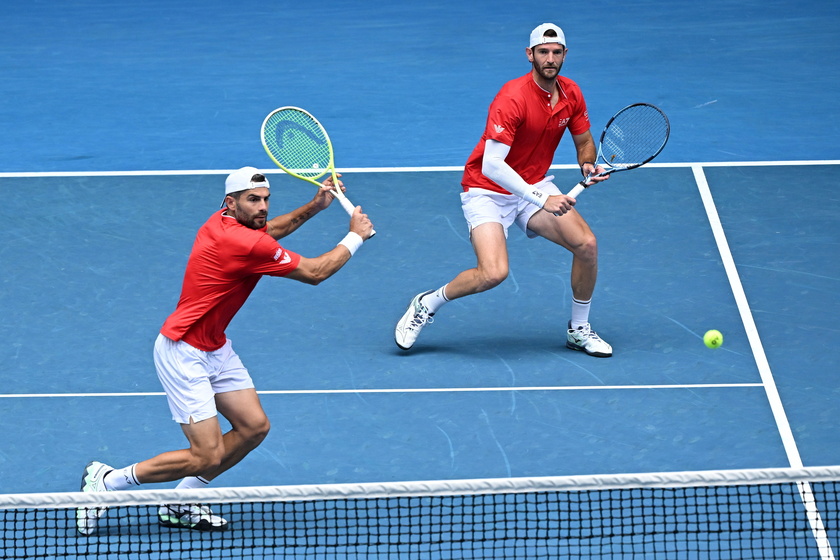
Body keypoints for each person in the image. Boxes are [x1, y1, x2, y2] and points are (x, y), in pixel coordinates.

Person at [77, 167, 374, 535]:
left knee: (253, 428)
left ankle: (180, 502)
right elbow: (314, 272)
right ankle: (107, 483)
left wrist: (316, 206)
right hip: (183, 352)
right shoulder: (244, 244)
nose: (262, 207)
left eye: (266, 199)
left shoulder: (224, 223)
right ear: (231, 202)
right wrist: (355, 236)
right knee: (206, 454)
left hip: (215, 347)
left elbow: (271, 231)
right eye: (254, 200)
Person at [395, 23, 612, 358]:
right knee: (493, 273)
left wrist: (587, 163)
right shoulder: (512, 97)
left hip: (532, 183)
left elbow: (583, 141)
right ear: (530, 55)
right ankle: (427, 303)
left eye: (556, 52)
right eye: (543, 52)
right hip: (487, 190)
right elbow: (492, 166)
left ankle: (579, 330)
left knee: (587, 245)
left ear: (565, 55)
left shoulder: (571, 94)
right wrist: (542, 198)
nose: (550, 58)